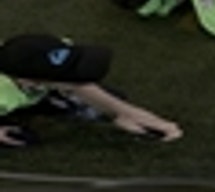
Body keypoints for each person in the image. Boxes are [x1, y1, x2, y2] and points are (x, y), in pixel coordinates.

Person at [0, 33, 182, 148]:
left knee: (112, 98)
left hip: (24, 86)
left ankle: (47, 99)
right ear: (32, 82)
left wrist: (127, 113)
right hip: (9, 97)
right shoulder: (3, 97)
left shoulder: (48, 48)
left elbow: (76, 83)